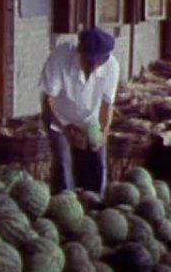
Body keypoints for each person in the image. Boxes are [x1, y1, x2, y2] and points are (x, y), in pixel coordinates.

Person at [40, 28, 119, 194]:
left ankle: (95, 204)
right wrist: (65, 129)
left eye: (98, 62)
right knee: (63, 161)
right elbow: (48, 101)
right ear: (80, 51)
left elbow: (107, 105)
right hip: (59, 117)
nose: (94, 66)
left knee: (97, 162)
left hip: (90, 118)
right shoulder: (61, 57)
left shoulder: (112, 66)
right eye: (90, 61)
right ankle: (64, 200)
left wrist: (104, 133)